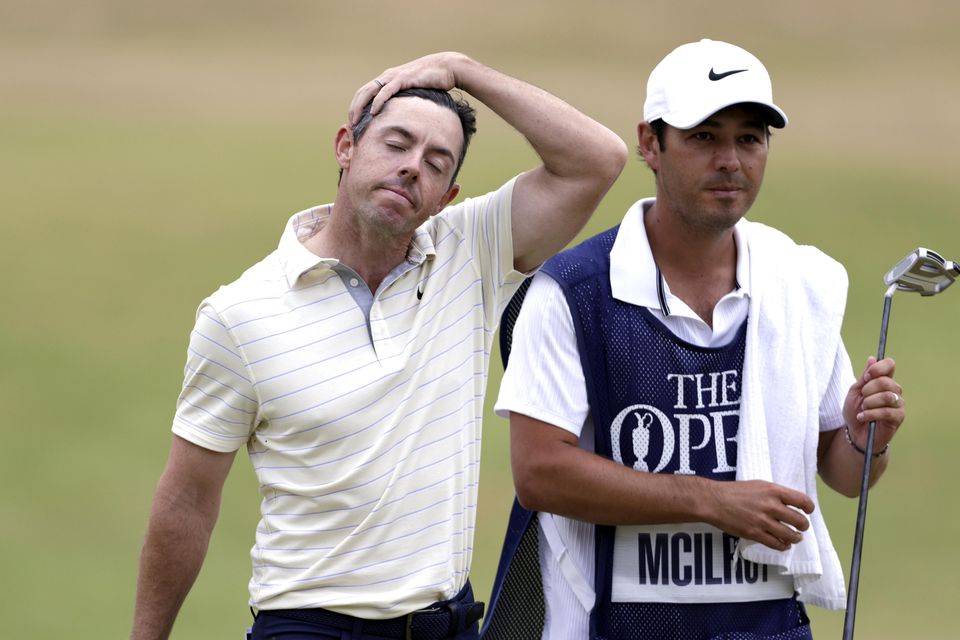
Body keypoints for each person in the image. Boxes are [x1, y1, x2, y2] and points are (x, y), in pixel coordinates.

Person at [130, 51, 628, 640]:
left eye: (435, 161)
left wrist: (461, 69)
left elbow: (598, 160)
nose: (413, 167)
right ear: (346, 147)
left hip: (446, 622)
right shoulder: (239, 313)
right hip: (307, 626)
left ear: (447, 194)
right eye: (396, 144)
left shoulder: (473, 251)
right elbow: (187, 500)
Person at [484, 39, 906, 640]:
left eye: (750, 138)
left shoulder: (795, 280)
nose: (730, 160)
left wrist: (866, 442)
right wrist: (713, 501)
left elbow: (839, 471)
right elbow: (540, 472)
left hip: (769, 626)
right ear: (650, 144)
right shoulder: (573, 290)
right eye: (704, 137)